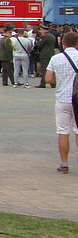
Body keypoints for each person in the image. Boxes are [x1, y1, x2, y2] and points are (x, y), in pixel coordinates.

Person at [44, 29, 78, 173]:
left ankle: (64, 164)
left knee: (63, 131)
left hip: (63, 98)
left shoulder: (56, 58)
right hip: (77, 98)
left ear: (63, 42)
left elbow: (48, 79)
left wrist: (61, 79)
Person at [37, 23, 58, 87]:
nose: (40, 31)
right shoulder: (52, 36)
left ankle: (43, 83)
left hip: (45, 54)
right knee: (52, 69)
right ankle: (53, 83)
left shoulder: (44, 36)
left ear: (44, 30)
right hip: (51, 53)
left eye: (41, 29)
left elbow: (40, 45)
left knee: (44, 69)